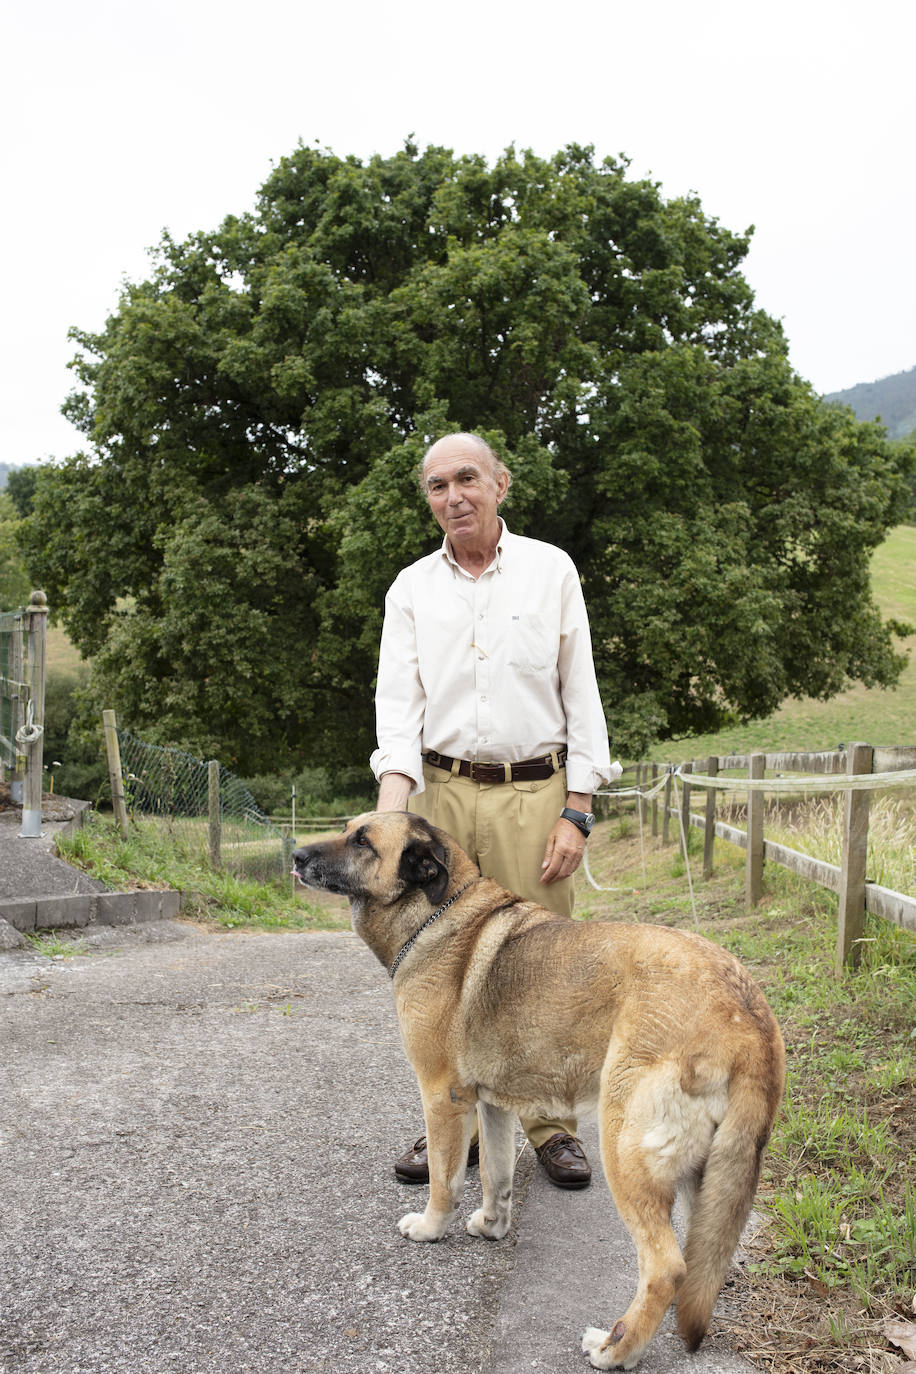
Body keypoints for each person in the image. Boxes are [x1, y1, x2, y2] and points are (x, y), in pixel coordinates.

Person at [371, 432, 617, 1189]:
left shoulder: (551, 571)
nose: (454, 497)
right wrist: (390, 821)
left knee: (540, 966)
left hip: (533, 792)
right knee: (440, 969)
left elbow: (581, 692)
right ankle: (456, 1123)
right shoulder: (412, 587)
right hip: (440, 798)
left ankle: (548, 1126)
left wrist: (577, 809)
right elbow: (397, 707)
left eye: (467, 479)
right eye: (438, 486)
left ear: (500, 484)